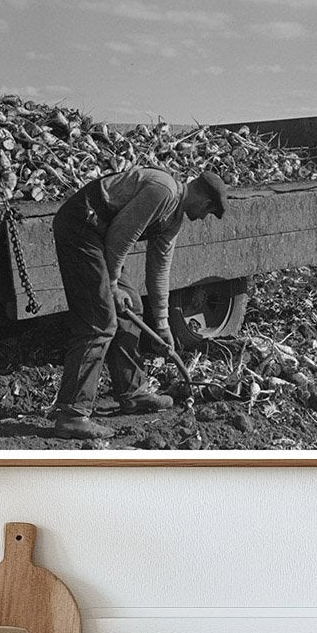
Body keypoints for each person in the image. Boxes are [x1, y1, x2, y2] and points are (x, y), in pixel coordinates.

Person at [51, 166, 227, 440]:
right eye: (207, 212)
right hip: (81, 227)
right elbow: (121, 236)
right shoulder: (164, 191)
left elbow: (159, 269)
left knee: (132, 305)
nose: (203, 218)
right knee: (99, 321)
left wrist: (162, 324)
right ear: (204, 202)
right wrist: (110, 286)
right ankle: (72, 415)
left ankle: (132, 392)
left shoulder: (174, 217)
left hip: (100, 237)